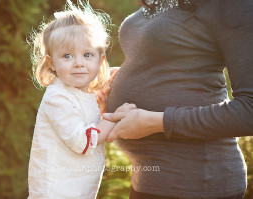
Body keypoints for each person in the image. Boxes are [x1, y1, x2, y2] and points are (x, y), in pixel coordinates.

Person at [101, 0, 253, 198]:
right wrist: (126, 75)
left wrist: (158, 122)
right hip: (148, 179)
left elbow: (248, 112)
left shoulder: (232, 5)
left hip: (197, 183)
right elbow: (180, 61)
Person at [27, 1, 136, 198]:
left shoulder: (80, 95)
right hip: (54, 193)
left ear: (100, 60)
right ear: (51, 63)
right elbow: (83, 140)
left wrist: (103, 108)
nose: (78, 63)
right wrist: (115, 117)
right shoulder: (57, 98)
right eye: (67, 56)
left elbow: (91, 126)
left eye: (87, 55)